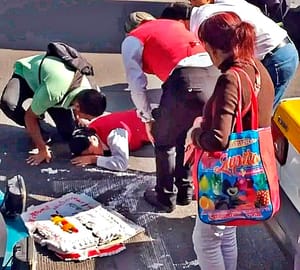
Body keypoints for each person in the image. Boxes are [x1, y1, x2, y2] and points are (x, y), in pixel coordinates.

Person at [189, 11, 274, 270]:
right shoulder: (255, 67)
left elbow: (217, 139)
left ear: (214, 48)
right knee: (226, 231)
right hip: (248, 168)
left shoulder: (230, 79)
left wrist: (195, 134)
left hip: (226, 170)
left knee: (206, 239)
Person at [121, 11, 219, 212]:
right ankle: (185, 190)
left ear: (129, 29)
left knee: (164, 140)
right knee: (184, 134)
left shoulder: (134, 38)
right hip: (215, 76)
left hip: (185, 80)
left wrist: (147, 118)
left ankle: (165, 197)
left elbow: (136, 83)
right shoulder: (173, 25)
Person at [161, 0, 299, 108]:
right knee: (251, 110)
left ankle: (266, 143)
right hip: (276, 51)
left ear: (179, 22)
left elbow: (215, 62)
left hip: (277, 58)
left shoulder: (203, 23)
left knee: (259, 116)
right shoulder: (214, 7)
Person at [0, 54, 107, 166]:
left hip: (56, 86)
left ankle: (40, 109)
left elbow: (80, 98)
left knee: (68, 133)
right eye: (87, 117)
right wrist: (42, 149)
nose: (88, 120)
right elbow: (29, 116)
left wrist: (79, 117)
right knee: (8, 103)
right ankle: (40, 128)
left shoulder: (92, 90)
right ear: (77, 106)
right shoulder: (53, 93)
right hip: (27, 74)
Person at [68, 109, 150, 171]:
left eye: (92, 152)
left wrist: (93, 159)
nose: (95, 154)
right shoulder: (91, 127)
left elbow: (122, 164)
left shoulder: (114, 135)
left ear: (93, 139)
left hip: (155, 125)